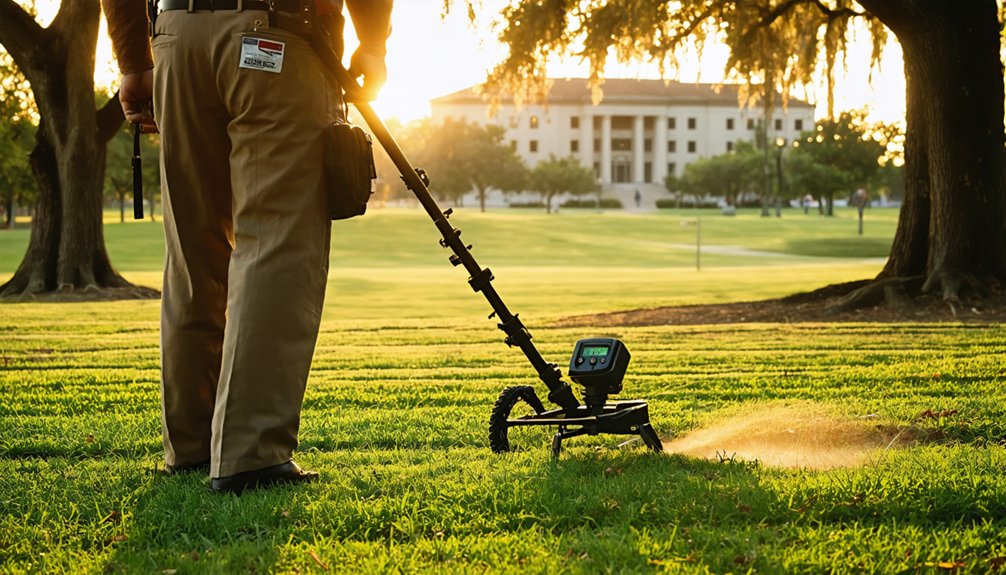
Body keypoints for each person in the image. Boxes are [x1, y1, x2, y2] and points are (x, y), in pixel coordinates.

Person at [101, 0, 392, 494]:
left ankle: (192, 447)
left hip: (175, 38)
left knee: (192, 250)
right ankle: (249, 453)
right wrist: (373, 43)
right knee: (276, 240)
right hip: (277, 35)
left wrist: (132, 62)